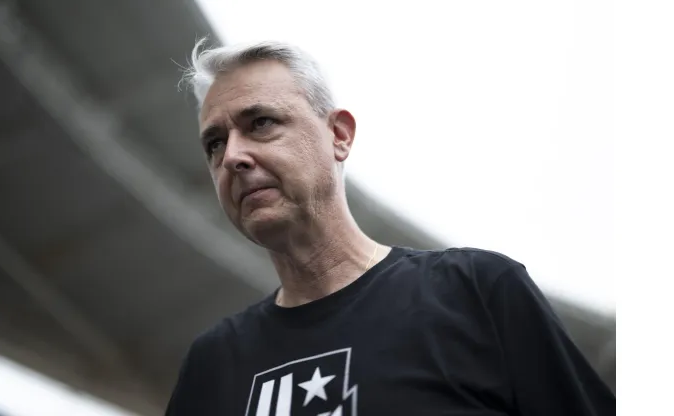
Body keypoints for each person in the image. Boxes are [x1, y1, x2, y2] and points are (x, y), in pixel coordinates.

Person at [165, 39, 615, 416]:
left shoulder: (476, 292)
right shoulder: (211, 366)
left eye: (261, 123)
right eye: (215, 143)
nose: (233, 157)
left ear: (339, 135)